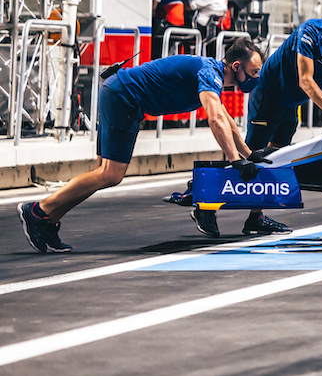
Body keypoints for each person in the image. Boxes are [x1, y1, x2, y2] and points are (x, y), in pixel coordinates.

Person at [18, 39, 264, 253]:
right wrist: (235, 161)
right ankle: (39, 210)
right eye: (254, 72)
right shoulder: (210, 73)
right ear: (236, 67)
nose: (256, 78)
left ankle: (47, 219)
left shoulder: (211, 72)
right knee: (110, 174)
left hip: (118, 92)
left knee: (102, 174)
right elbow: (215, 118)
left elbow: (226, 119)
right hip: (123, 97)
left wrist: (249, 154)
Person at [194, 0, 322, 238]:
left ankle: (256, 218)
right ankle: (203, 204)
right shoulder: (311, 33)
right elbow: (306, 80)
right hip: (269, 97)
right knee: (249, 157)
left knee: (278, 158)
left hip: (292, 104)